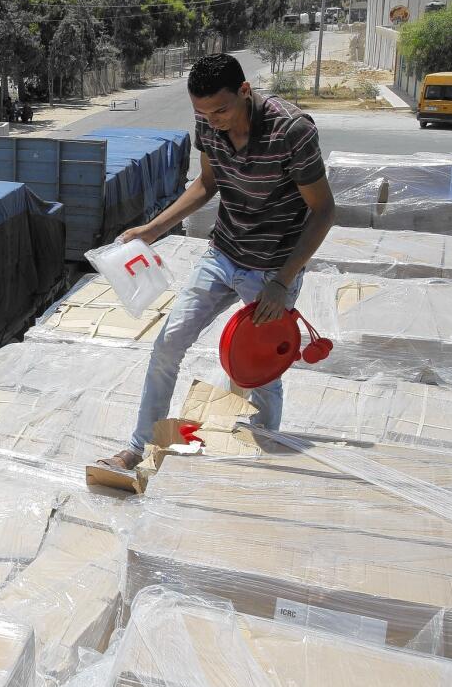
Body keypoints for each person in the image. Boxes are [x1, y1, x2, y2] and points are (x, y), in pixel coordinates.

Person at [98, 53, 336, 472]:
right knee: (168, 344)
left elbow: (323, 211)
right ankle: (138, 446)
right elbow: (208, 183)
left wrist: (282, 282)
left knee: (258, 370)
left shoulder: (291, 131)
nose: (213, 120)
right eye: (202, 113)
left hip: (271, 272)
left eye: (221, 110)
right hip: (222, 254)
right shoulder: (209, 124)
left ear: (245, 91)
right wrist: (152, 229)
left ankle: (263, 448)